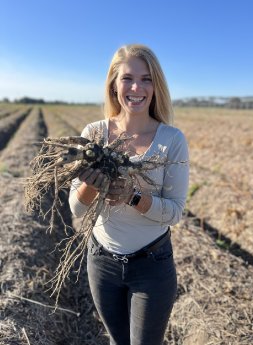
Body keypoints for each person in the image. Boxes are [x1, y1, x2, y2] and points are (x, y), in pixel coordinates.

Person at [69, 44, 189, 345]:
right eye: (127, 78)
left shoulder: (171, 140)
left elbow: (175, 212)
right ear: (114, 83)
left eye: (147, 79)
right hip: (102, 263)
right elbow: (76, 209)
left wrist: (133, 196)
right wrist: (90, 185)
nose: (137, 87)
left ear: (156, 86)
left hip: (152, 265)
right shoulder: (94, 134)